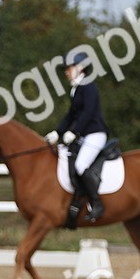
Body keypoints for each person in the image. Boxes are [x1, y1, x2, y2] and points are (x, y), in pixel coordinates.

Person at [45, 51, 111, 222]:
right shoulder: (76, 88)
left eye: (69, 68)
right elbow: (71, 115)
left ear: (80, 67)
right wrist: (57, 132)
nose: (66, 71)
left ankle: (97, 204)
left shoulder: (88, 86)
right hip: (84, 135)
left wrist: (74, 132)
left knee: (81, 165)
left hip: (95, 134)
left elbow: (88, 113)